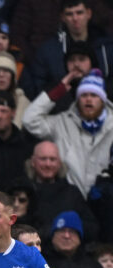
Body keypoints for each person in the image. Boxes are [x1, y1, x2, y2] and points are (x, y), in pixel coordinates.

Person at [24, 70, 113, 198]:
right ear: (77, 99)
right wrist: (58, 91)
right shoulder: (62, 122)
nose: (88, 99)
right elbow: (29, 120)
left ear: (103, 100)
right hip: (69, 200)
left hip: (106, 201)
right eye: (83, 95)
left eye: (94, 95)